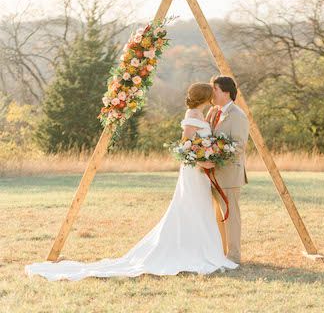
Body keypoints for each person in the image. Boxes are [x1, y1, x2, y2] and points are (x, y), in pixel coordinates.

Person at [24, 83, 238, 281]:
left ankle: (201, 247)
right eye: (211, 94)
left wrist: (209, 157)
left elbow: (199, 143)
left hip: (201, 172)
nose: (213, 97)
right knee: (191, 207)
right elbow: (186, 145)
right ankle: (190, 250)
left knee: (201, 208)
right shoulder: (192, 114)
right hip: (194, 170)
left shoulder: (203, 113)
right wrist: (202, 161)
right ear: (205, 97)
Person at [205, 75, 249, 264]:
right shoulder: (214, 112)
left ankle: (234, 256)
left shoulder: (238, 115)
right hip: (213, 175)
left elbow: (239, 146)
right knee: (217, 217)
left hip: (229, 175)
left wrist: (215, 158)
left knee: (231, 218)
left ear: (226, 92)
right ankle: (222, 254)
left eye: (214, 89)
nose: (211, 93)